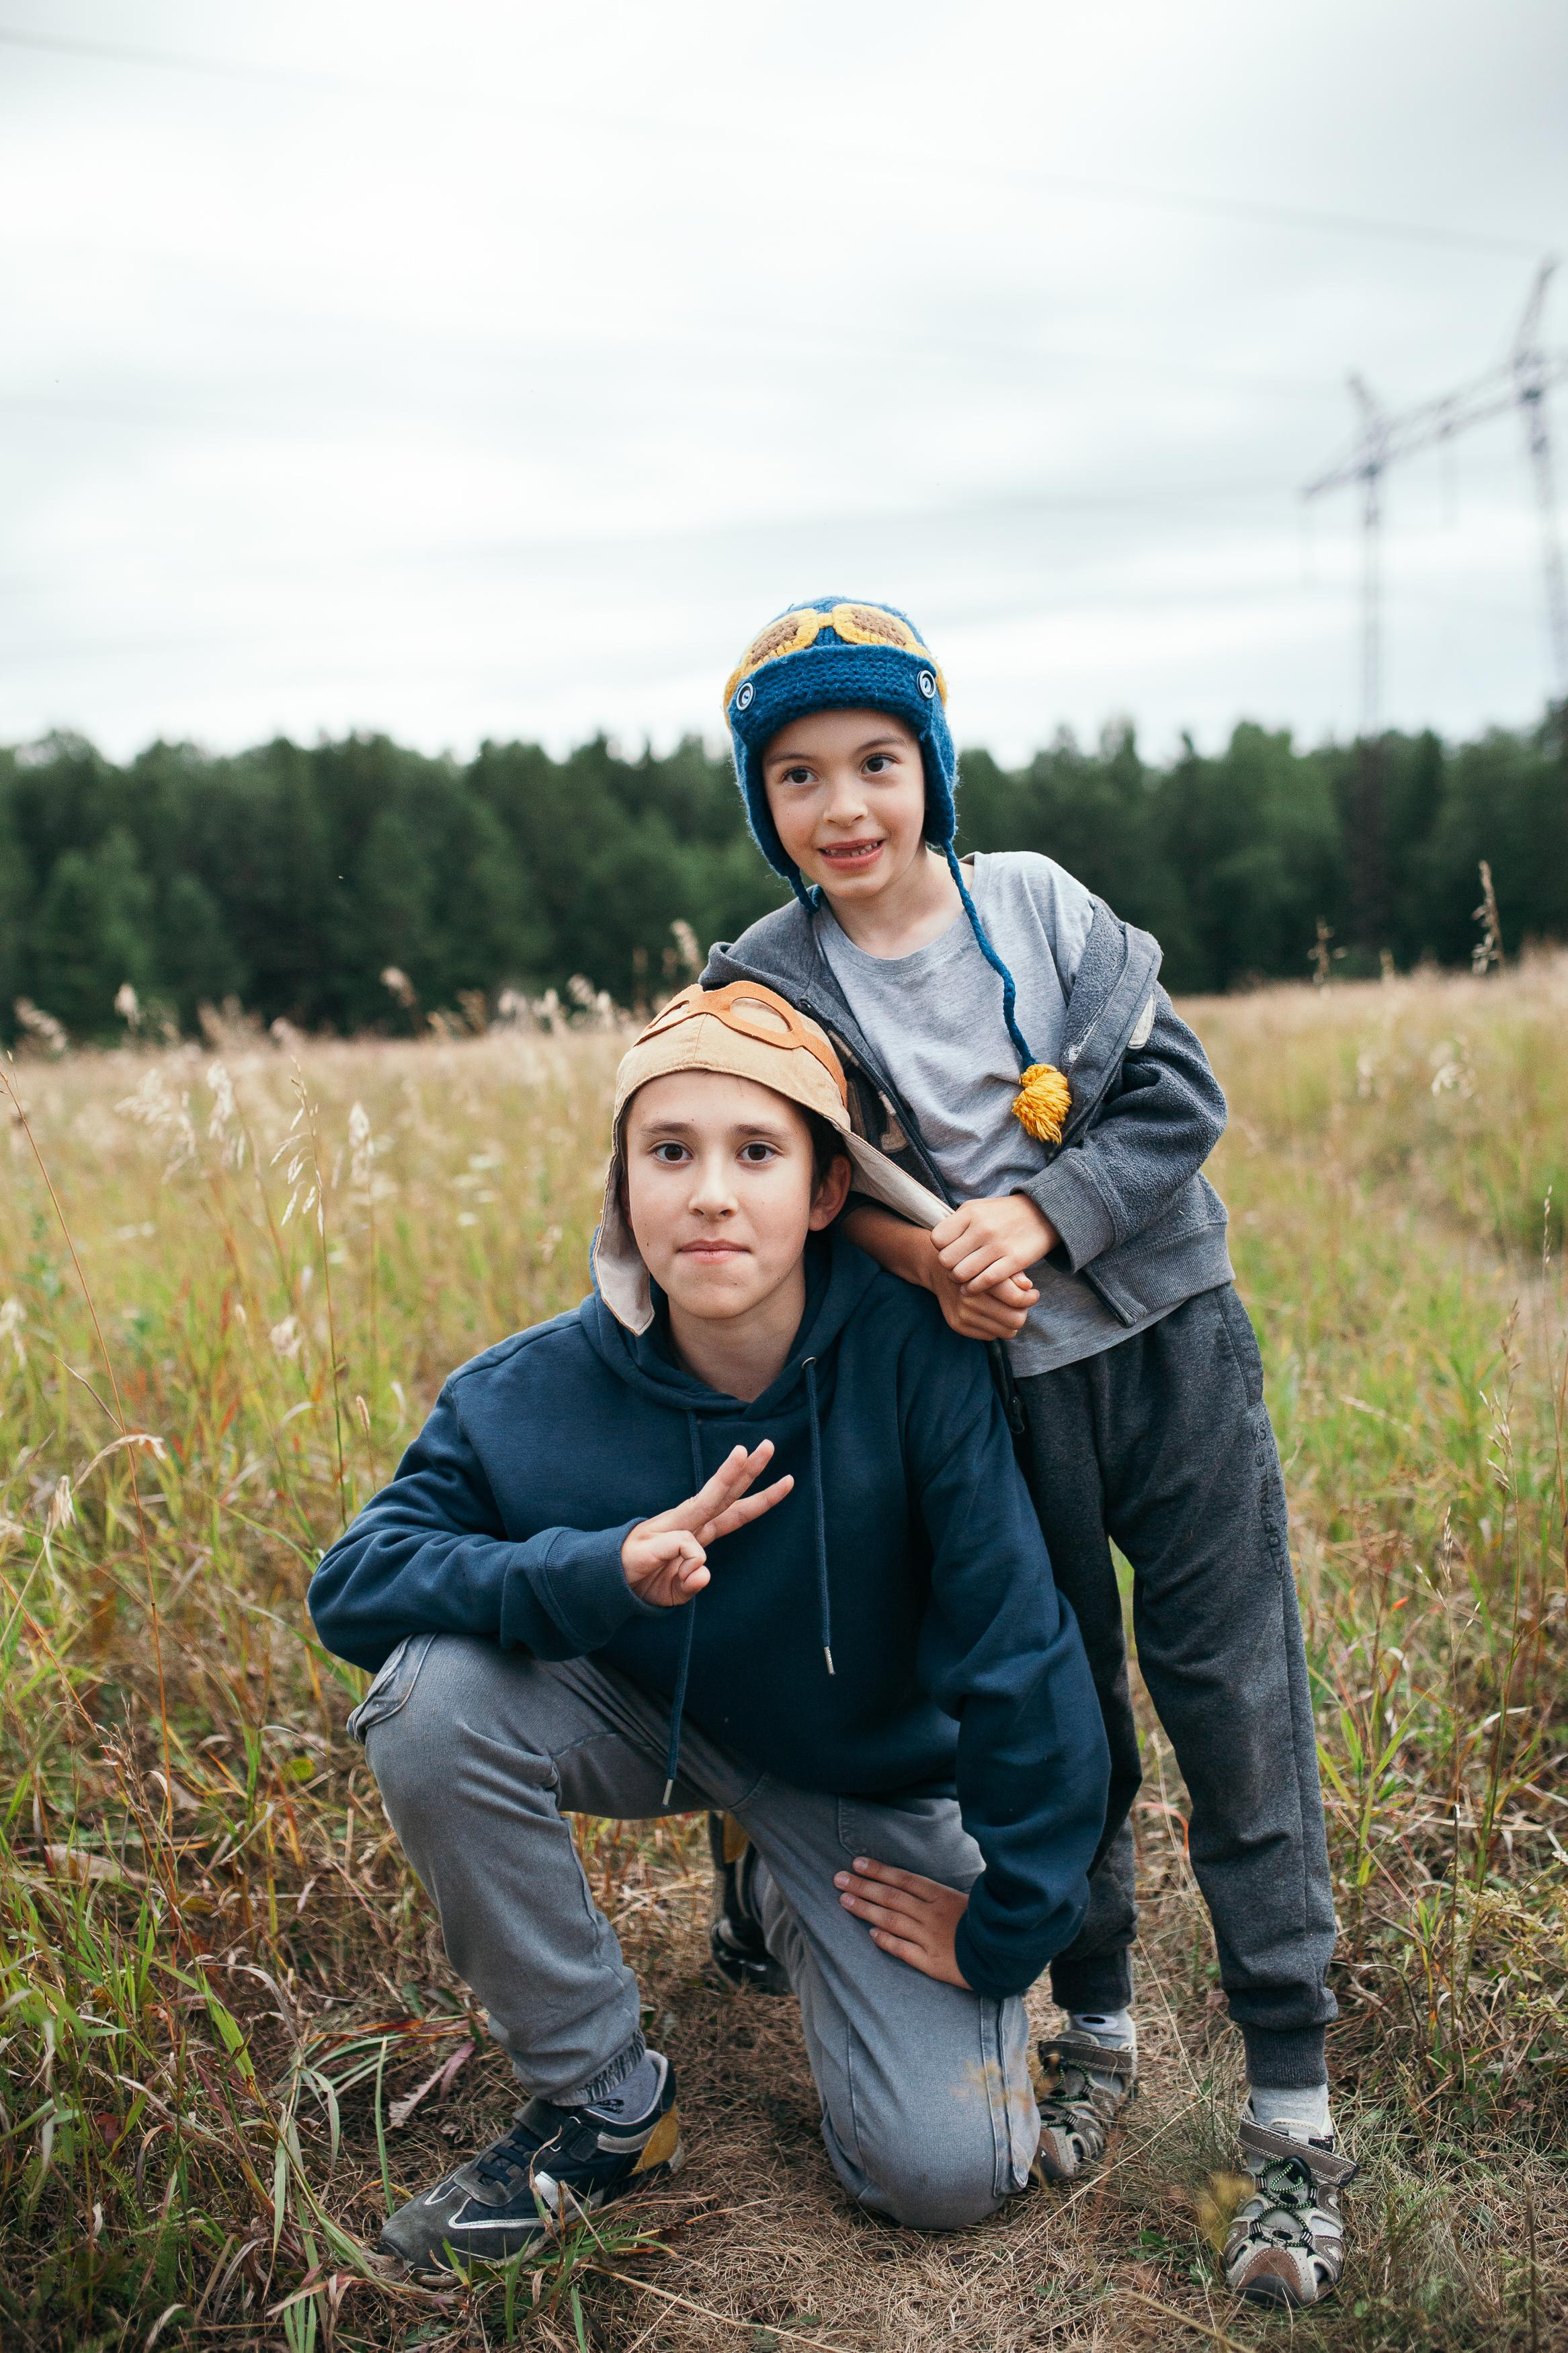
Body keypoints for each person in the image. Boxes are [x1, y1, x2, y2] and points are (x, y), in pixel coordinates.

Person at [701, 598, 1351, 2311]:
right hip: (993, 1403)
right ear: (761, 800)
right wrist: (936, 1258)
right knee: (1063, 1706)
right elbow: (801, 1190)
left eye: (878, 763)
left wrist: (1045, 1221)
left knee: (1231, 1697)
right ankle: (1100, 2019)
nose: (846, 808)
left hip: (1168, 1357)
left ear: (933, 766)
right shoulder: (766, 981)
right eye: (799, 776)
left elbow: (1177, 1100)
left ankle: (1292, 2111)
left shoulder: (1041, 907)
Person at [308, 980, 1109, 2272]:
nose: (711, 1195)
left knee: (949, 2175)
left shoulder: (916, 1361)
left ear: (826, 1191)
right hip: (645, 1713)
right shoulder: (527, 1393)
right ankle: (603, 2103)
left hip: (859, 1765)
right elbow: (353, 1585)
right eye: (668, 1153)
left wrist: (1005, 1927)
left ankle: (772, 1881)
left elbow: (1024, 1653)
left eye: (756, 1154)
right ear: (621, 1187)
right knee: (428, 1697)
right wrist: (598, 1570)